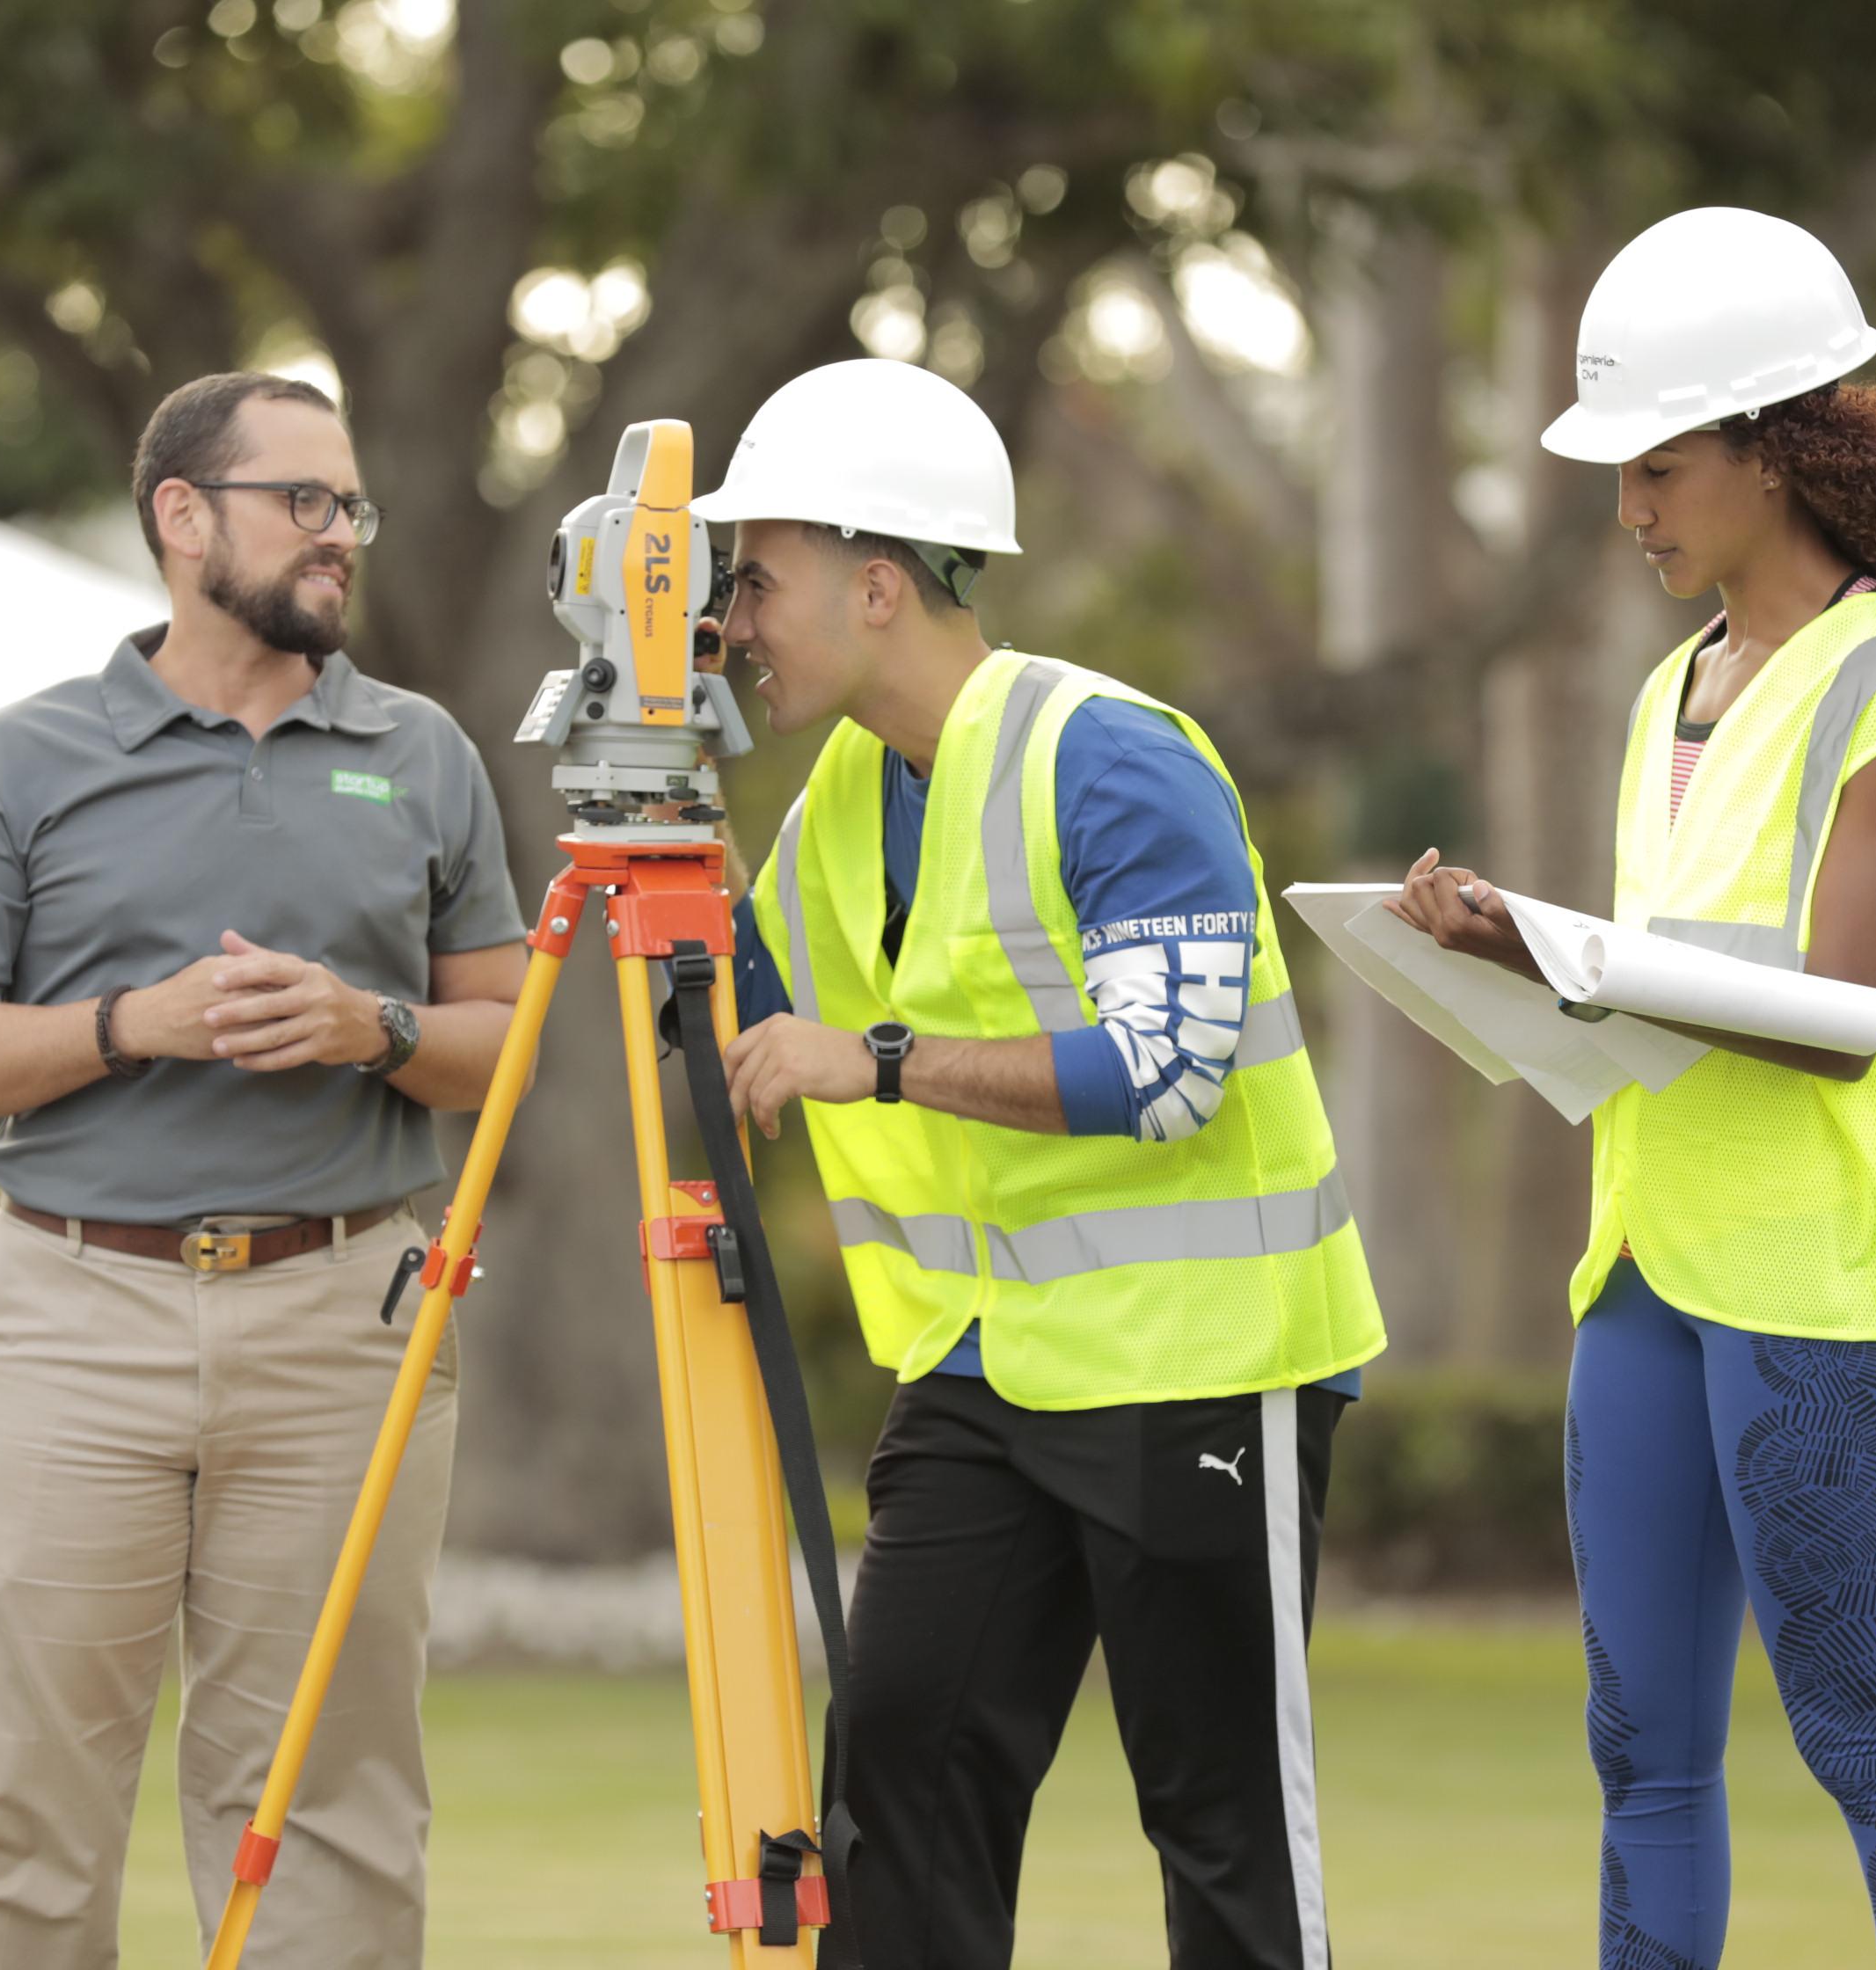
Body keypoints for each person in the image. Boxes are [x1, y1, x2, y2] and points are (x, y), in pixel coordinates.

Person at [1392, 208, 1876, 1970]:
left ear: (1776, 449)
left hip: (1814, 1281)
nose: (1634, 510)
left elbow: (1839, 1013)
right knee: (1641, 1753)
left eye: (1662, 468)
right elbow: (1662, 994)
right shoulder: (1672, 687)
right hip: (1646, 1268)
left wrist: (1566, 955)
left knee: (1865, 1741)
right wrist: (1506, 956)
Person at [693, 358, 1384, 1970]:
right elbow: (763, 1034)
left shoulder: (1111, 758)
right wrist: (681, 849)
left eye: (754, 579)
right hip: (987, 1374)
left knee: (1220, 1829)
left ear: (876, 586)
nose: (728, 621)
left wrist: (868, 1063)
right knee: (897, 1781)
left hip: (1205, 1370)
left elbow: (1170, 1075)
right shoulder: (855, 788)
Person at [0, 371, 529, 1970]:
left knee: (330, 1812)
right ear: (183, 518)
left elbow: (506, 1038)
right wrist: (132, 1024)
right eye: (300, 501)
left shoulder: (422, 754)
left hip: (342, 1322)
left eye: (349, 506)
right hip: (67, 1321)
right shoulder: (25, 760)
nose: (338, 538)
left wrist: (369, 1025)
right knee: (14, 1816)